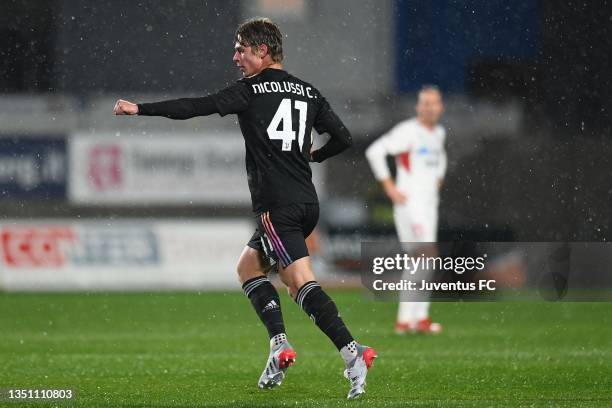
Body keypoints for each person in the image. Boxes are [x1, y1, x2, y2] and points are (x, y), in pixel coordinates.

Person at [113, 18, 376, 399]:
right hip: (306, 203)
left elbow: (195, 106)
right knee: (248, 268)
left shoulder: (250, 91)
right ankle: (278, 346)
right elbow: (345, 138)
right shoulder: (308, 92)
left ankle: (353, 353)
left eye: (241, 48)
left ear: (262, 50)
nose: (235, 56)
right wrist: (315, 154)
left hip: (277, 208)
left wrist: (141, 109)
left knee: (299, 281)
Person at [365, 85, 447, 334]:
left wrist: (437, 181)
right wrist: (389, 187)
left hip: (428, 207)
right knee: (424, 256)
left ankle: (417, 318)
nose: (429, 107)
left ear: (440, 107)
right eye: (424, 103)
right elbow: (375, 151)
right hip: (410, 206)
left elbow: (439, 161)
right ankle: (405, 319)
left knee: (423, 260)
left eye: (433, 103)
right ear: (418, 107)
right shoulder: (408, 131)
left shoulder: (439, 133)